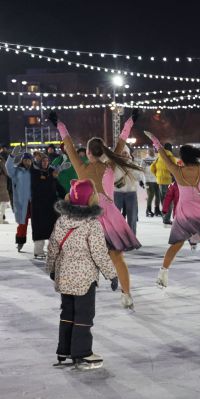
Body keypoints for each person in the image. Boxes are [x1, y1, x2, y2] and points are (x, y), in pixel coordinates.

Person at [56, 114, 141, 309]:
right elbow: (121, 141)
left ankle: (81, 294)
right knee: (117, 256)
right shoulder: (110, 165)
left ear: (87, 152)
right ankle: (126, 294)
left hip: (90, 217)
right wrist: (130, 122)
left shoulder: (82, 169)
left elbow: (68, 147)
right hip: (110, 214)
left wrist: (60, 125)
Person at [143, 136, 200, 290]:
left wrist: (157, 143)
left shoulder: (177, 170)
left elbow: (164, 157)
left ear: (183, 157)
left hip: (185, 211)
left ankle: (162, 275)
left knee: (176, 245)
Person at [48, 179, 118, 370]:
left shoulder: (61, 220)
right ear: (91, 199)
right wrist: (111, 275)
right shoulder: (92, 224)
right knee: (84, 314)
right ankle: (82, 353)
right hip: (84, 279)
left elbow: (53, 247)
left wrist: (52, 269)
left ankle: (64, 350)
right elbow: (99, 253)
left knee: (67, 313)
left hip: (64, 276)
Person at [29, 154, 59, 258]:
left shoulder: (51, 171)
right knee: (39, 228)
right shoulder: (33, 172)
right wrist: (51, 178)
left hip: (51, 205)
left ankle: (52, 251)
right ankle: (38, 251)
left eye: (47, 161)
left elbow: (56, 185)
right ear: (39, 162)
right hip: (38, 205)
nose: (45, 163)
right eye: (43, 161)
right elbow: (38, 186)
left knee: (52, 227)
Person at [6, 148, 32, 252]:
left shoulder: (34, 171)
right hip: (22, 202)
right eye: (25, 160)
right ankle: (20, 242)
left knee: (38, 223)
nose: (27, 162)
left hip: (34, 202)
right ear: (22, 160)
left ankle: (39, 244)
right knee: (22, 224)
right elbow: (8, 167)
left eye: (29, 160)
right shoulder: (16, 170)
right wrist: (12, 156)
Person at [151, 142, 177, 224]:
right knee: (169, 201)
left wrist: (157, 175)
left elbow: (152, 168)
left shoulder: (159, 157)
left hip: (160, 181)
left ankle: (164, 217)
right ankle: (166, 219)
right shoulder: (170, 157)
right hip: (168, 181)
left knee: (164, 200)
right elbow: (175, 169)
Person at [141, 148, 161, 217]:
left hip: (157, 180)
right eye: (150, 151)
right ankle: (148, 210)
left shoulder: (157, 159)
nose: (152, 152)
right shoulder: (145, 160)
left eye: (153, 151)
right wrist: (142, 180)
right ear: (148, 152)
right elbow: (142, 169)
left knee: (158, 195)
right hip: (148, 180)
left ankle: (157, 209)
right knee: (151, 194)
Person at [0, 156, 9, 224]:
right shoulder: (2, 161)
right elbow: (6, 172)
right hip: (2, 181)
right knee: (3, 201)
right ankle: (1, 219)